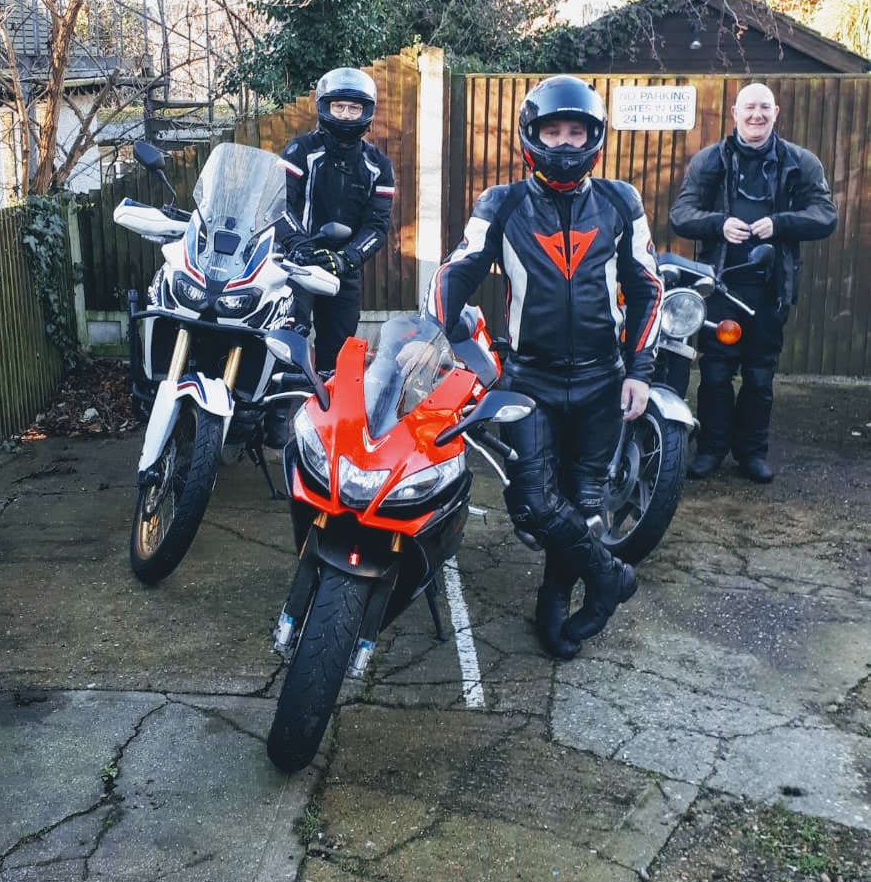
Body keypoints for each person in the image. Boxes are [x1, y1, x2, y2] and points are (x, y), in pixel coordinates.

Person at [426, 76, 664, 661]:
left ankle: (551, 606)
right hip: (527, 377)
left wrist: (640, 369)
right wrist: (429, 335)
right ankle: (609, 577)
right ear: (531, 136)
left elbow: (648, 288)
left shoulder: (620, 202)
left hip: (602, 379)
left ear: (593, 137)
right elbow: (455, 271)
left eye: (574, 131)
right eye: (551, 131)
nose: (563, 143)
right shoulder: (501, 203)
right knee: (533, 502)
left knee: (583, 506)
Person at [669, 82, 837, 483]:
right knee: (714, 374)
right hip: (719, 287)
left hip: (770, 289)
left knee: (760, 377)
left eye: (764, 108)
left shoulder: (801, 163)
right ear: (734, 113)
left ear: (776, 113)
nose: (756, 115)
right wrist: (717, 224)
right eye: (749, 108)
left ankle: (752, 454)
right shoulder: (710, 160)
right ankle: (710, 449)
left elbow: (825, 215)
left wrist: (780, 225)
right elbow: (681, 213)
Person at [281, 67, 395, 374]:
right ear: (324, 107)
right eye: (339, 107)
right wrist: (299, 245)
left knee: (340, 356)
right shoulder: (299, 150)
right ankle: (277, 417)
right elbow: (279, 205)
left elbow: (377, 226)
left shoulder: (379, 166)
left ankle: (330, 419)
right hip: (296, 262)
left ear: (366, 111)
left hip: (343, 268)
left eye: (354, 108)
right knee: (287, 342)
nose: (346, 115)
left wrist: (346, 258)